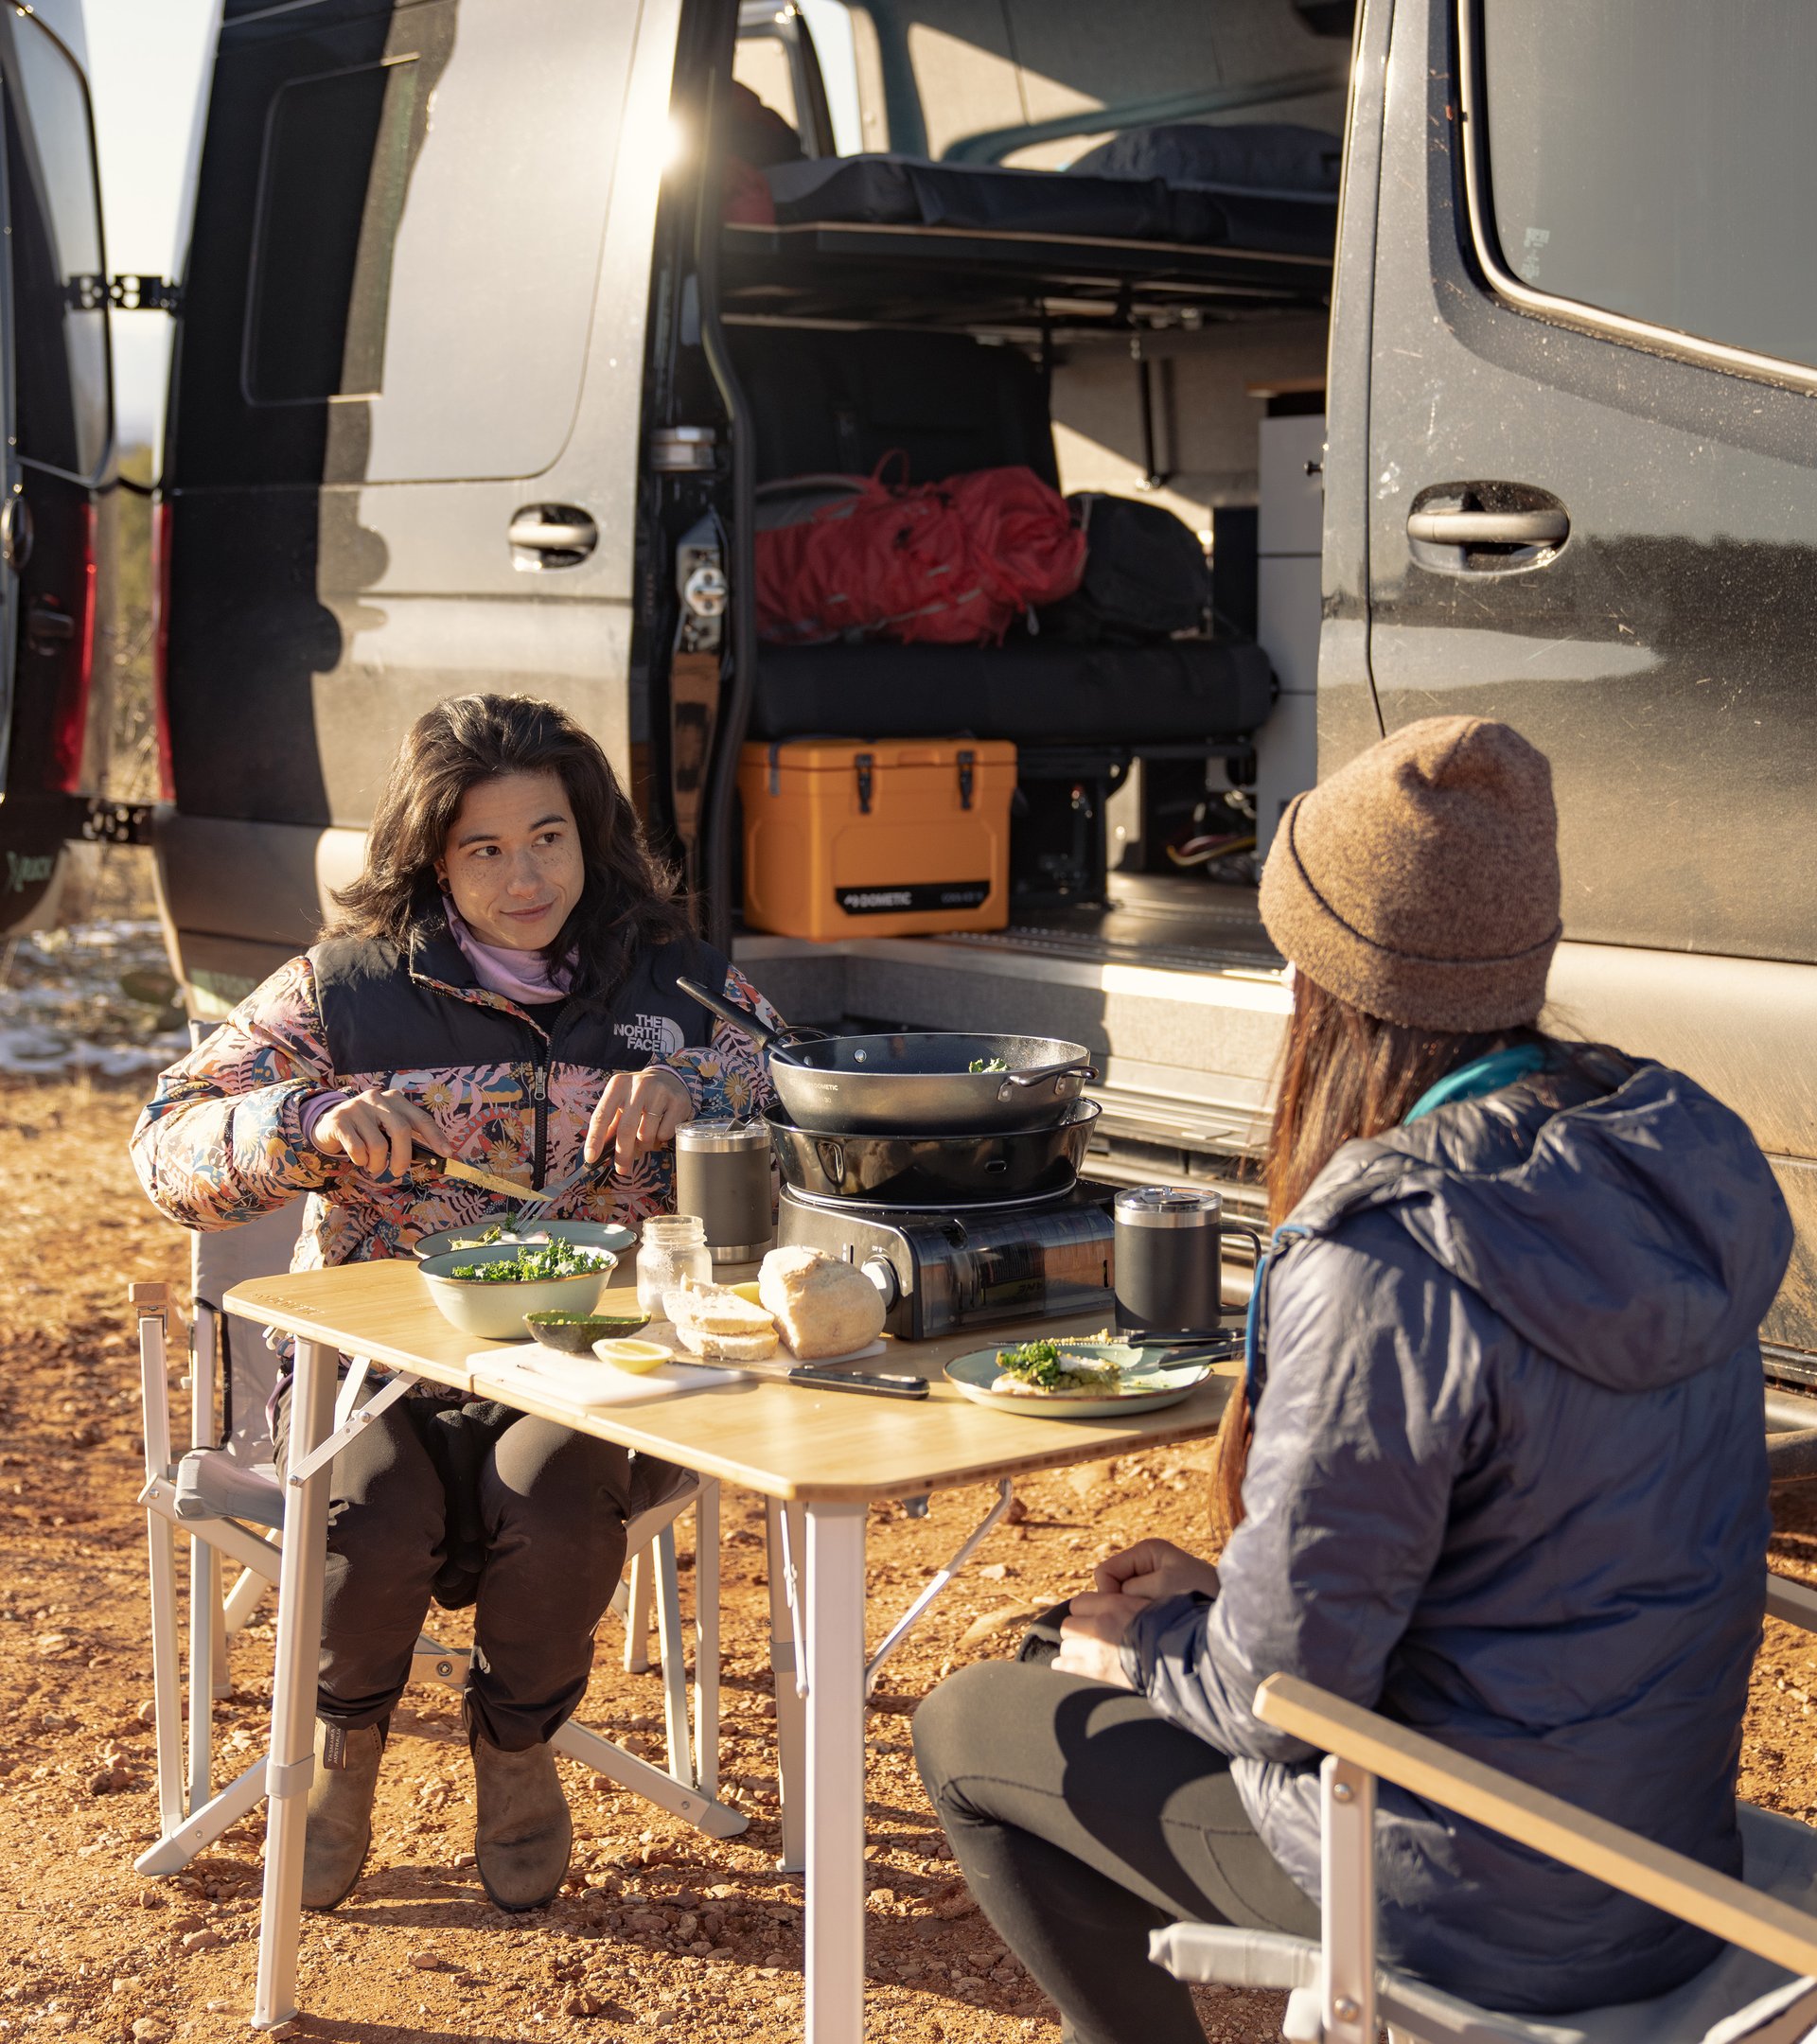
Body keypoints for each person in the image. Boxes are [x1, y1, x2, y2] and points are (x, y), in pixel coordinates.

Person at [913, 716, 1792, 2039]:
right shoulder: (1669, 1157)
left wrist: (1141, 1645)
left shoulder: (1389, 1253)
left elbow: (1287, 1704)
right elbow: (1515, 1567)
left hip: (1471, 1904)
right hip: (1669, 1873)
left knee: (981, 1722)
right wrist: (1227, 1599)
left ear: (1323, 984)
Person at [132, 693, 778, 1913]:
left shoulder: (684, 992)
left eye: (549, 837)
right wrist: (303, 1121)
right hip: (386, 1366)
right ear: (432, 854)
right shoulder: (341, 994)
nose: (525, 875)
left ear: (590, 834)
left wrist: (697, 1099)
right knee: (368, 1516)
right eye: (483, 848)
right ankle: (345, 1752)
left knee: (557, 1495)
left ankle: (518, 1748)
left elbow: (809, 1125)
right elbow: (167, 1145)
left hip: (604, 1368)